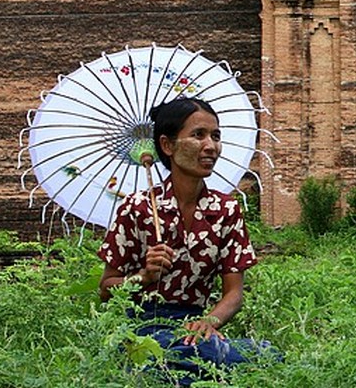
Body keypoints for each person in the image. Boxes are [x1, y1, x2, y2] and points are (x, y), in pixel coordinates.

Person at [97, 96, 274, 384]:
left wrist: (209, 321)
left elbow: (233, 294)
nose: (210, 146)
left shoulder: (225, 210)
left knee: (264, 355)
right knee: (170, 357)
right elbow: (106, 290)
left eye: (215, 136)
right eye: (198, 135)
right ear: (167, 146)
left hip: (195, 326)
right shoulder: (137, 208)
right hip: (143, 327)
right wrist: (143, 276)